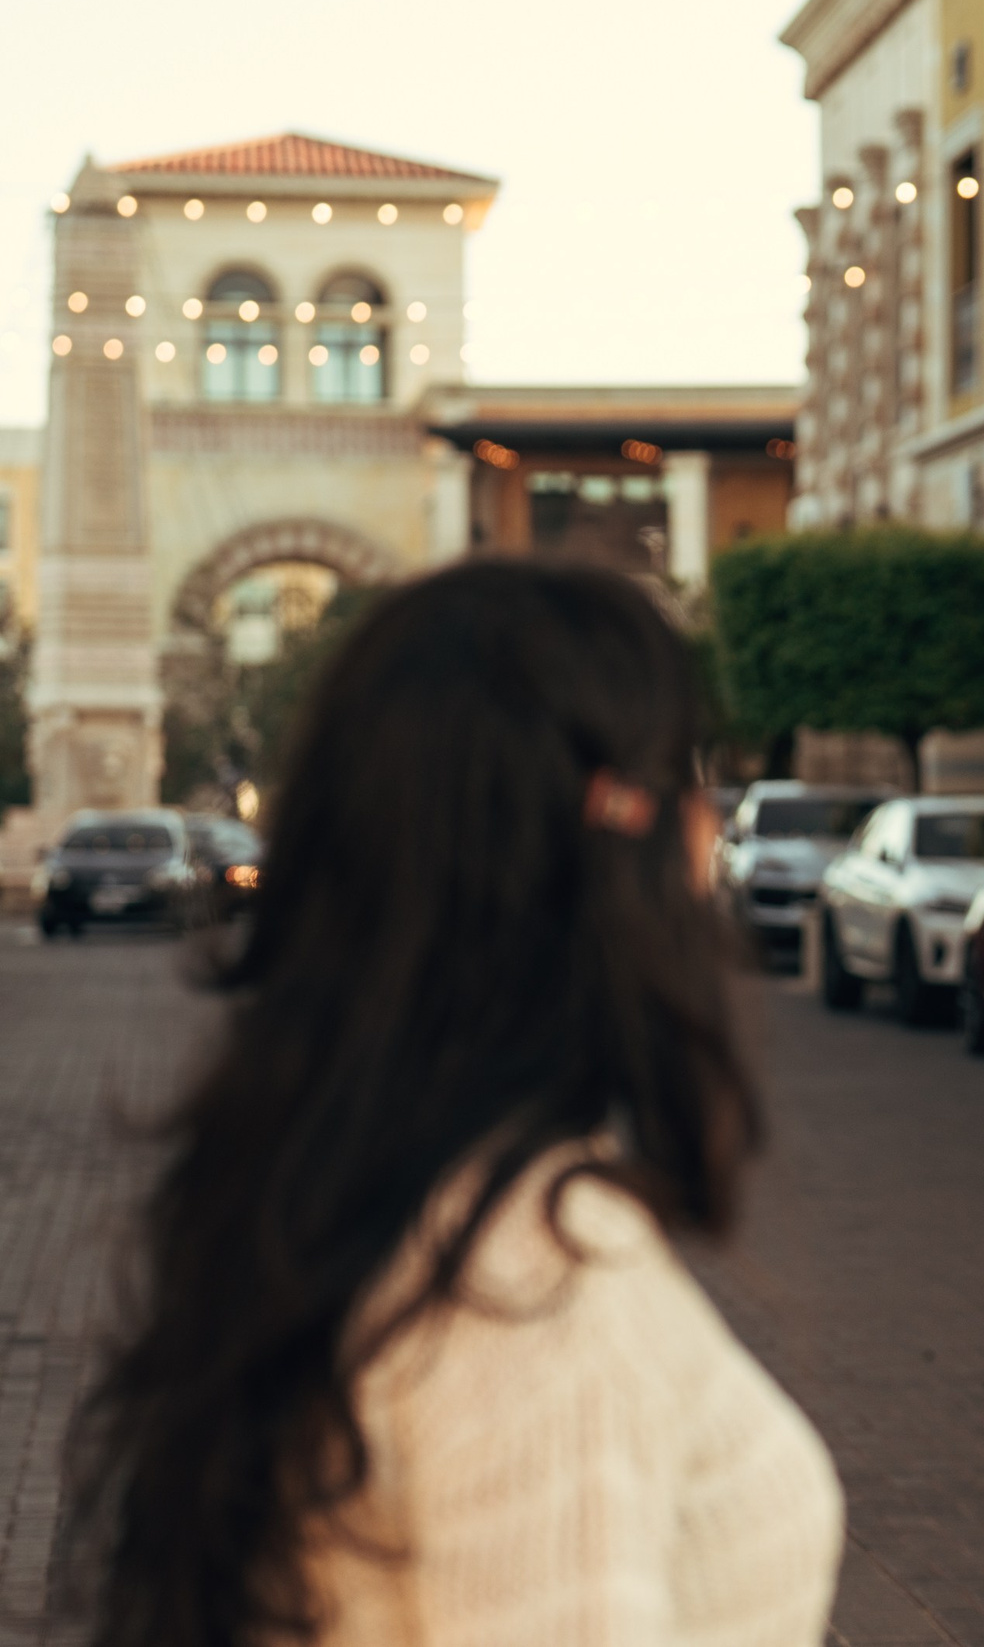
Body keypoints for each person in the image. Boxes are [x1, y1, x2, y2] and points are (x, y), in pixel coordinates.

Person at [64, 562, 843, 1647]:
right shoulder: (530, 1285)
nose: (712, 826)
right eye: (686, 774)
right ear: (607, 826)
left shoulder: (342, 1185)